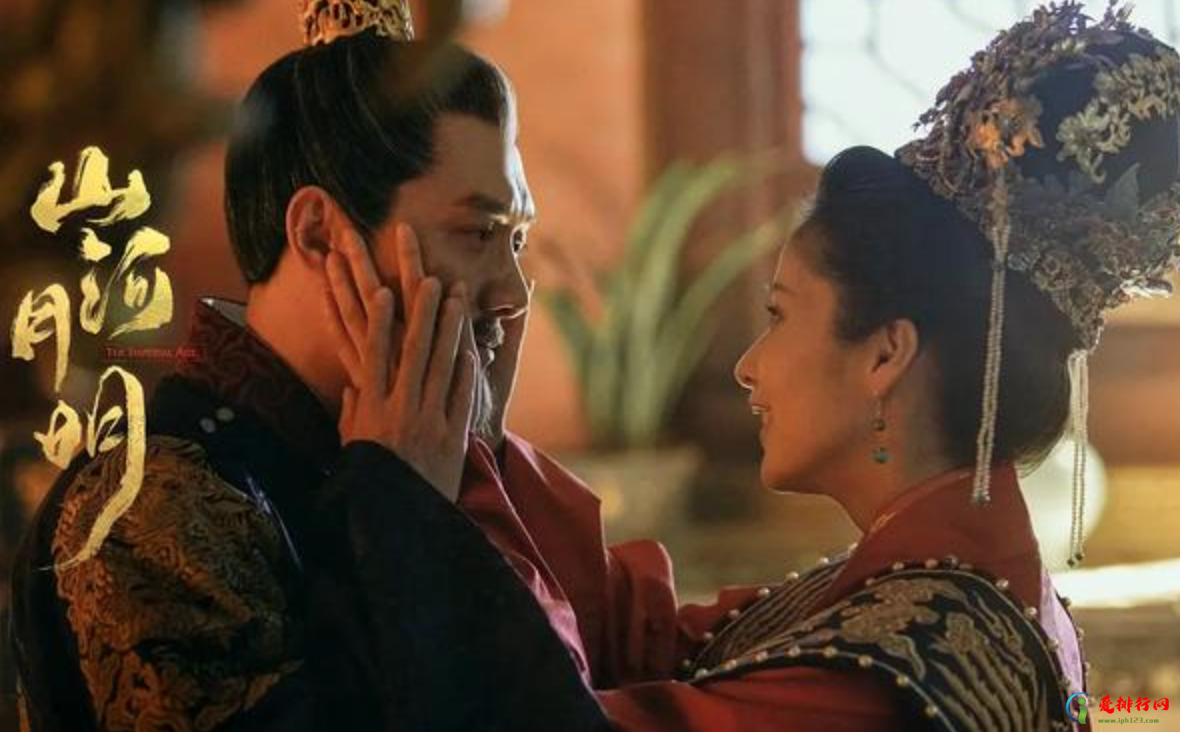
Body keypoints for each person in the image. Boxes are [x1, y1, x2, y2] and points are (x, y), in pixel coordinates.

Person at [314, 4, 1180, 731]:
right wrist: (476, 442)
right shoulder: (927, 591)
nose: (746, 367)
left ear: (886, 353)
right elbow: (638, 641)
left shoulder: (896, 672)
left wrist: (406, 507)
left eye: (779, 314)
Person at [9, 1, 677, 729]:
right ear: (321, 235)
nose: (514, 294)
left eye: (516, 241)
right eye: (478, 232)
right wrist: (402, 508)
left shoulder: (403, 460)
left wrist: (469, 475)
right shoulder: (148, 506)